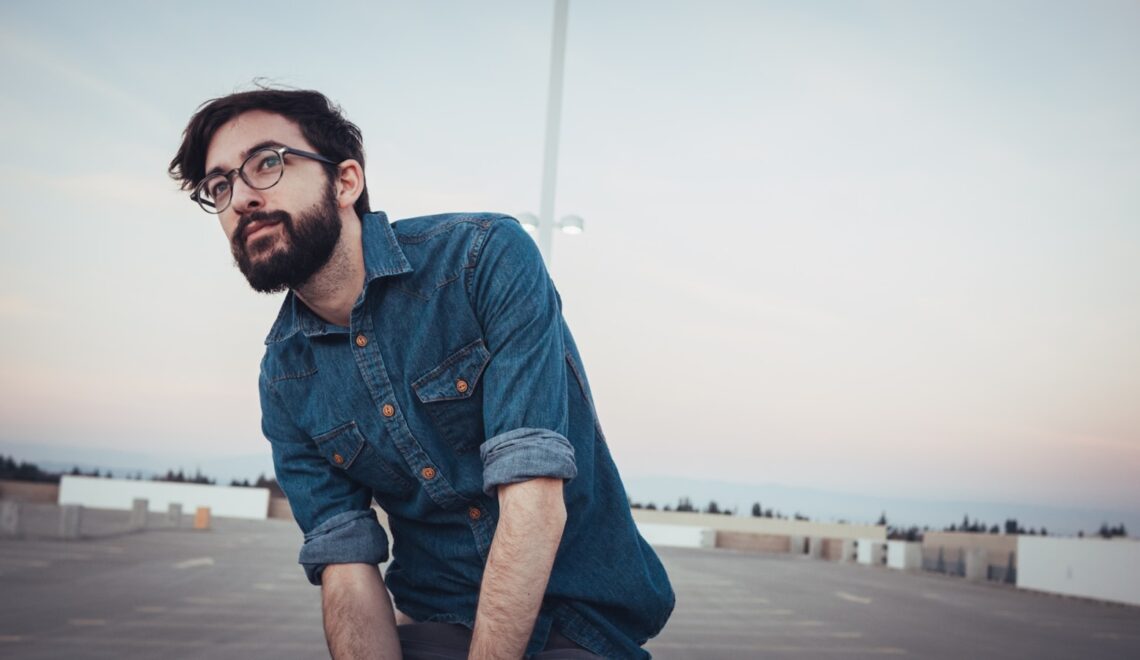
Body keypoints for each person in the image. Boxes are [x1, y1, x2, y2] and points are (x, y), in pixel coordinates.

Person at [168, 88, 674, 659]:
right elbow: (345, 565)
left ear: (345, 182)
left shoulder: (481, 260)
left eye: (267, 164)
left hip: (582, 621)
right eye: (219, 186)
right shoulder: (285, 379)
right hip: (437, 621)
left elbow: (533, 495)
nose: (241, 199)